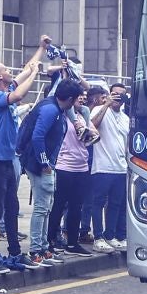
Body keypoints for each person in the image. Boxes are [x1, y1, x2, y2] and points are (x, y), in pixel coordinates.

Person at [0, 39, 48, 274]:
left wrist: (41, 49)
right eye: (5, 70)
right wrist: (35, 75)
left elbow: (26, 69)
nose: (9, 72)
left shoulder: (4, 89)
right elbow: (18, 95)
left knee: (12, 206)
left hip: (7, 159)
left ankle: (15, 253)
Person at [25, 77, 82, 268]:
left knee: (46, 207)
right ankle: (35, 250)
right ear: (71, 99)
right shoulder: (51, 110)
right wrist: (44, 163)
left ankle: (43, 247)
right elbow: (37, 137)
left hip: (46, 164)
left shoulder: (56, 108)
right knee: (42, 208)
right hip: (40, 165)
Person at [51, 84, 96, 256]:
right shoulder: (62, 115)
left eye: (84, 96)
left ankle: (72, 243)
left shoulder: (83, 115)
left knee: (77, 207)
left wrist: (88, 132)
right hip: (64, 166)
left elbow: (93, 135)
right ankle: (51, 241)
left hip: (81, 166)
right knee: (59, 205)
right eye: (79, 97)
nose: (82, 98)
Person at [90, 81, 130, 251]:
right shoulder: (100, 110)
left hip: (121, 167)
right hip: (102, 166)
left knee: (116, 203)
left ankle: (110, 235)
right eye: (115, 93)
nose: (117, 97)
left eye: (121, 94)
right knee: (98, 203)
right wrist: (106, 104)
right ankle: (98, 237)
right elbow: (91, 125)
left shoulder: (126, 118)